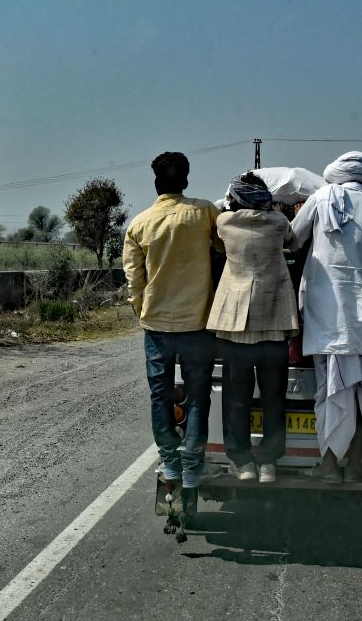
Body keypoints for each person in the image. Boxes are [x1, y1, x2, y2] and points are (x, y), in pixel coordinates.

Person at [289, 151, 362, 483]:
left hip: (325, 315)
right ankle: (353, 467)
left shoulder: (320, 198)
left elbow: (293, 240)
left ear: (336, 174)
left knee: (331, 391)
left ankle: (326, 466)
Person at [123, 152, 223, 489]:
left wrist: (143, 310)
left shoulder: (138, 224)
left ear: (156, 183)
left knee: (160, 396)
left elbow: (134, 281)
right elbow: (225, 249)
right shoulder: (205, 212)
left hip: (157, 326)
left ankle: (170, 463)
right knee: (197, 397)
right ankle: (194, 467)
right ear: (186, 181)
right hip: (198, 323)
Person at [206, 173, 299, 484]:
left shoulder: (225, 223)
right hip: (273, 319)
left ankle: (243, 461)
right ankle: (269, 462)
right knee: (274, 395)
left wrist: (229, 201)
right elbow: (294, 242)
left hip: (236, 323)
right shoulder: (278, 223)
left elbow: (219, 216)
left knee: (237, 396)